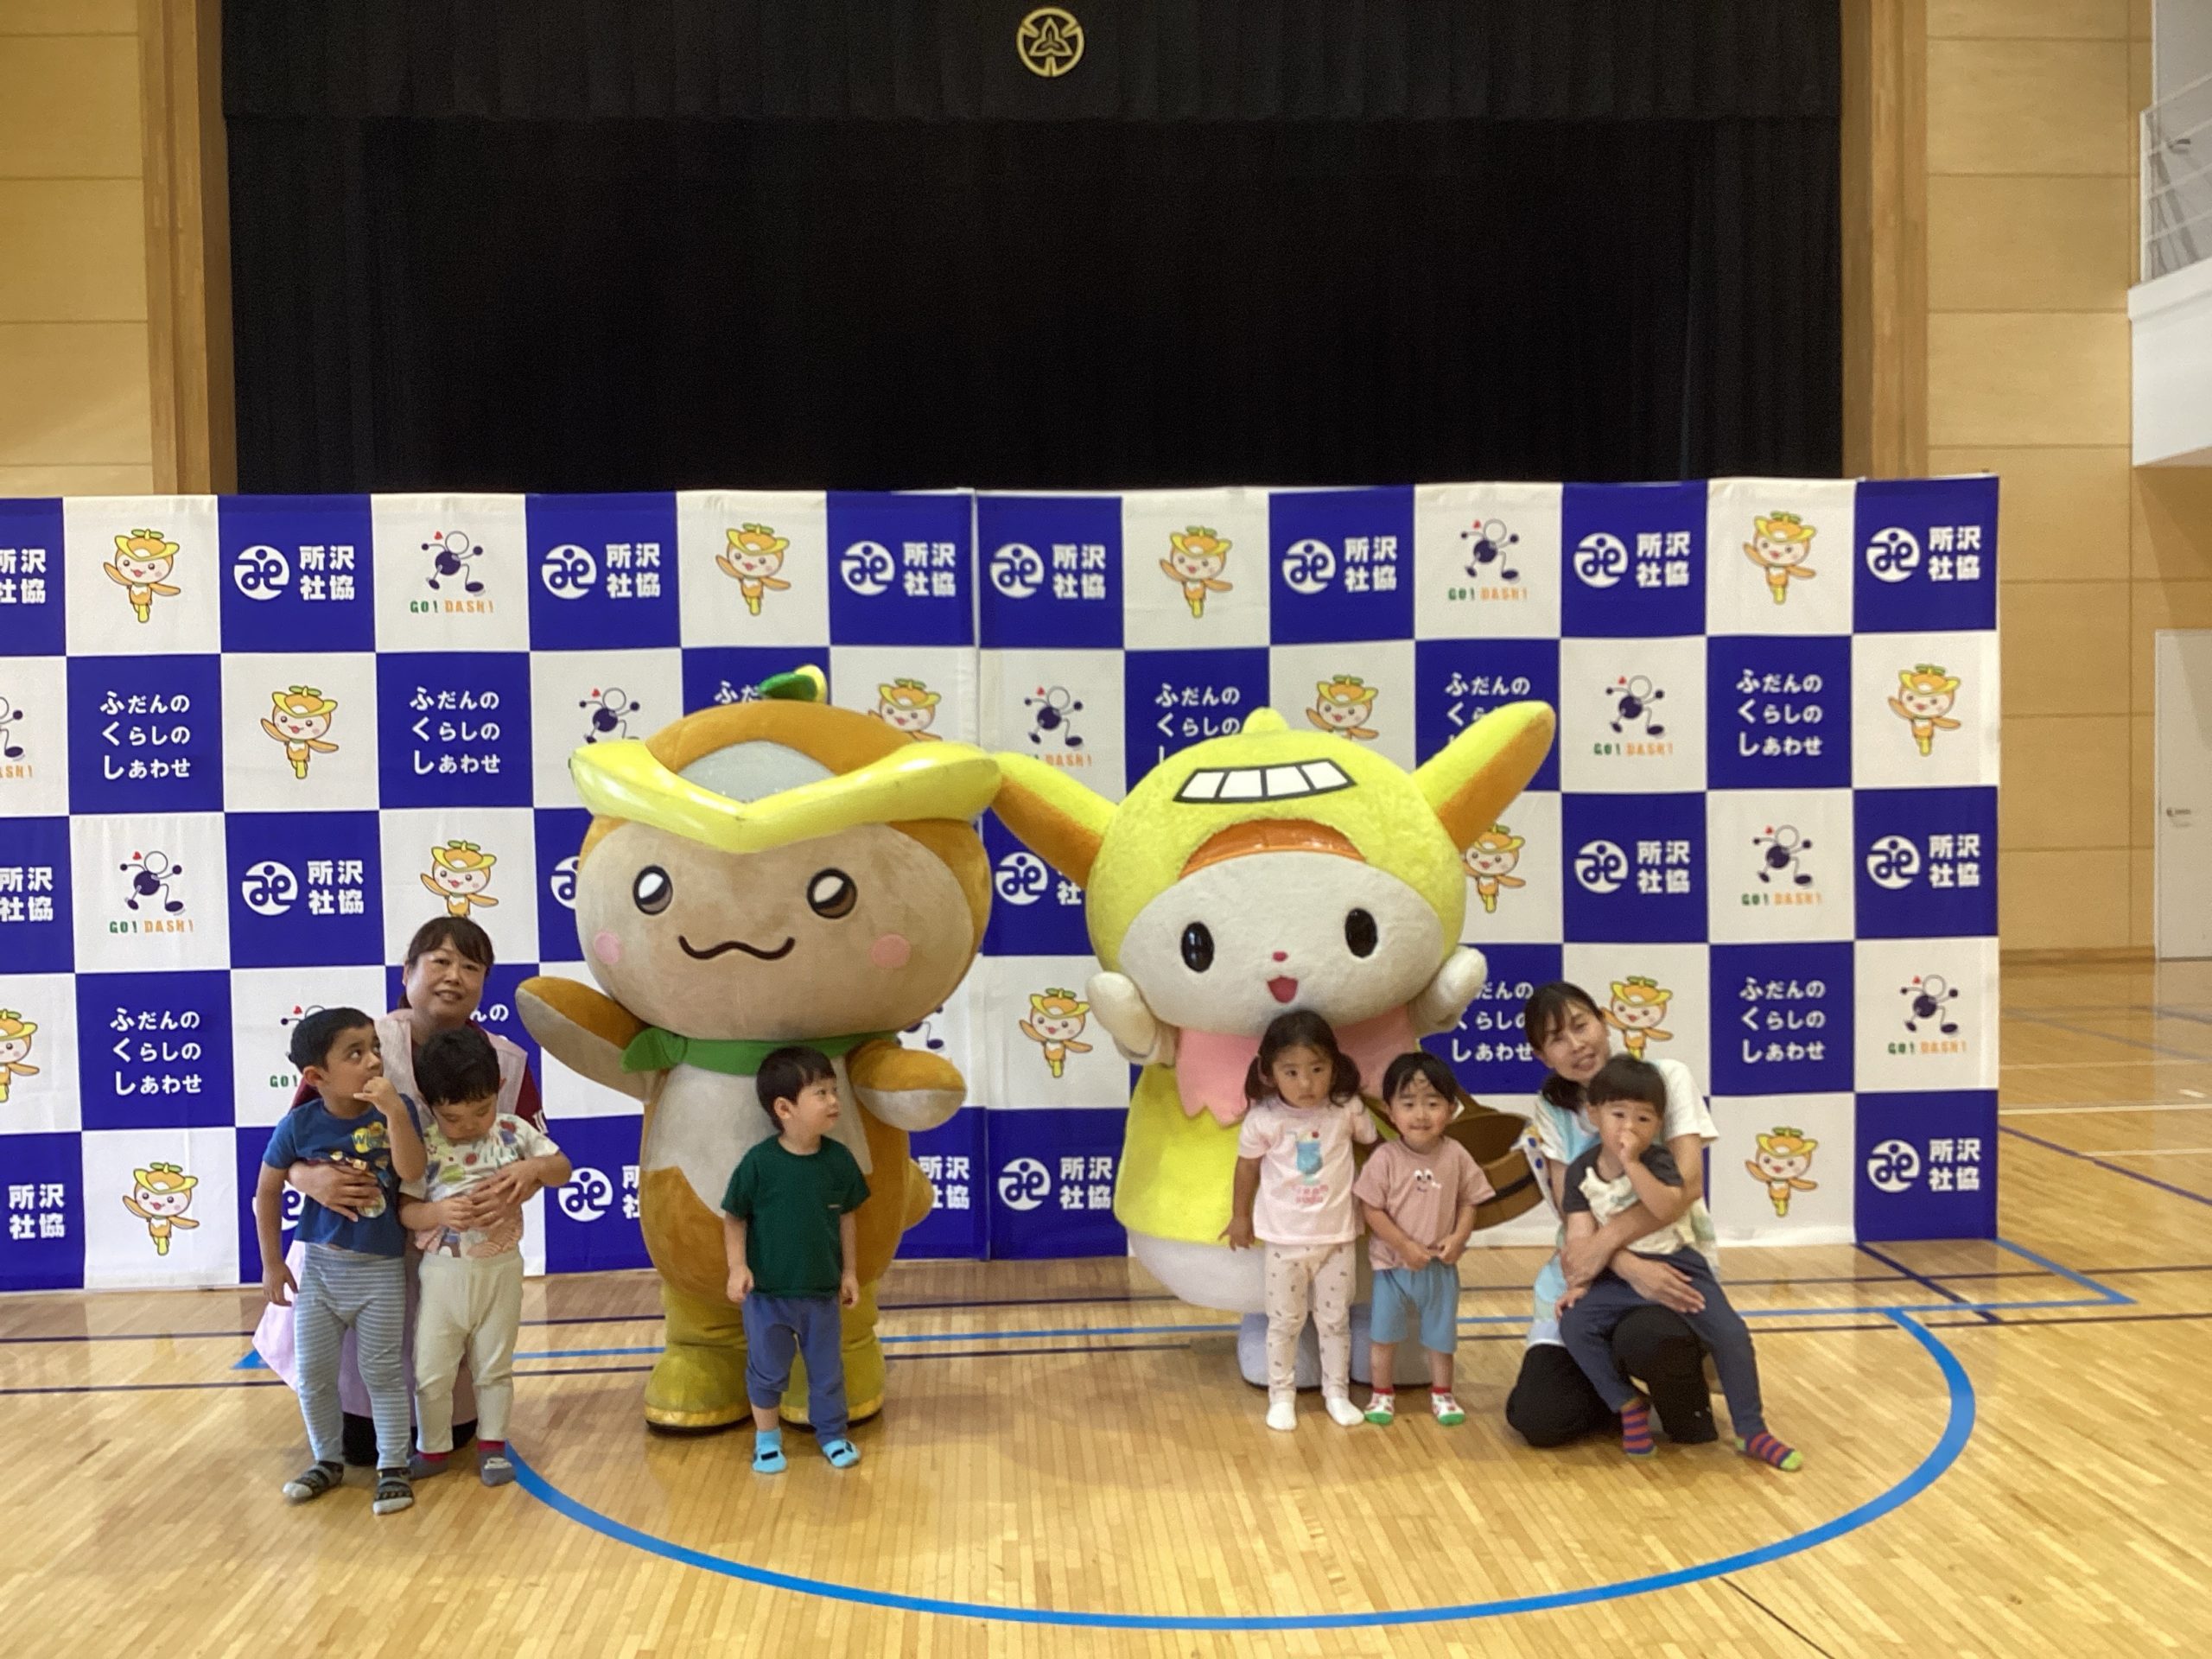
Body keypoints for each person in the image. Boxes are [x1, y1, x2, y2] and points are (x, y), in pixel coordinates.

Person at [255, 916, 545, 1465]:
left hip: (455, 1256)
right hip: (358, 1249)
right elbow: (289, 1146)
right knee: (358, 1438)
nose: (454, 976)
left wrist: (523, 1180)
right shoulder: (361, 1044)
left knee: (450, 1424)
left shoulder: (506, 1060)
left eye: (471, 967)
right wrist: (307, 1178)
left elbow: (535, 1153)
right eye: (440, 961)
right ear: (407, 971)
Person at [1558, 1058, 1802, 1471]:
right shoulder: (1581, 1171)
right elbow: (1581, 1238)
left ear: (1658, 1124)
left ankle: (1751, 1429)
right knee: (1575, 1325)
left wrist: (1633, 1164)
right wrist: (1578, 1284)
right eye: (1618, 1115)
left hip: (1678, 1264)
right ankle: (1627, 1404)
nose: (1629, 1127)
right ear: (1594, 1114)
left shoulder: (1656, 1161)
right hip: (1616, 1276)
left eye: (1643, 1118)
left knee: (1731, 1333)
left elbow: (1667, 1208)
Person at [1503, 981, 1718, 1449]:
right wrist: (1623, 1263)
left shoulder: (1667, 1077)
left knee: (1653, 1349)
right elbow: (1572, 1210)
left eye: (1581, 1026)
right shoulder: (1553, 1109)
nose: (1576, 1045)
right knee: (1538, 1418)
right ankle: (1624, 1396)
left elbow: (1687, 1186)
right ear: (1542, 1056)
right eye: (1557, 1039)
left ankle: (1691, 1372)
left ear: (1604, 1021)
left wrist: (1610, 1248)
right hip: (1591, 1274)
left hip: (1668, 1261)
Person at [251, 1007, 428, 1515]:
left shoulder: (397, 1111)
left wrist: (396, 1114)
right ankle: (326, 1460)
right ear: (316, 1076)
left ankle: (392, 1466)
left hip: (381, 1273)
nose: (373, 1061)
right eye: (355, 1053)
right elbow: (266, 1192)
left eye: (375, 1048)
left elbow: (412, 1171)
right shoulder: (299, 1124)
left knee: (384, 1373)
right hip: (320, 1274)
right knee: (314, 1374)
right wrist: (272, 1264)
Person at [399, 1027, 571, 1489]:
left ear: (499, 1087)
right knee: (430, 1370)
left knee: (495, 1367)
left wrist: (534, 1167)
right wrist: (437, 1213)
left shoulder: (513, 1131)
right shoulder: (425, 1144)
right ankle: (432, 1448)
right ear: (430, 1104)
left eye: (482, 1110)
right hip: (443, 1274)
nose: (470, 1124)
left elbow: (562, 1169)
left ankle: (492, 1447)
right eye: (453, 1117)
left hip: (502, 1270)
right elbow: (407, 1212)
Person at [1224, 1010, 1377, 1432]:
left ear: (1334, 1067)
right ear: (1269, 1073)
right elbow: (1246, 1168)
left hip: (1338, 1238)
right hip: (1283, 1240)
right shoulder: (1263, 1119)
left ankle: (1337, 1393)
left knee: (1335, 1322)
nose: (1305, 1083)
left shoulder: (1347, 1110)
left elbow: (1376, 1150)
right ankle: (1282, 1395)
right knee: (1284, 1322)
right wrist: (1240, 1216)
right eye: (1291, 1072)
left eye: (1317, 1069)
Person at [721, 1047, 869, 1474]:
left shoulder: (839, 1161)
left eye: (834, 1090)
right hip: (767, 1296)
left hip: (821, 1294)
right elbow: (734, 1217)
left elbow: (847, 1219)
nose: (834, 1101)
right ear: (784, 1108)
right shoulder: (759, 1163)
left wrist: (850, 1272)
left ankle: (832, 1435)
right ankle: (767, 1439)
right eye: (821, 1093)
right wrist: (737, 1267)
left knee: (827, 1372)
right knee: (766, 1371)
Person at [1353, 1052, 1491, 1427]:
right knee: (1383, 1336)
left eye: (1432, 1103)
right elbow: (1371, 1210)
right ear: (1389, 1111)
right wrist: (1403, 1246)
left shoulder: (1457, 1155)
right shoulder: (1385, 1158)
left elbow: (1470, 1200)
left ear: (1451, 1109)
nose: (1421, 1114)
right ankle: (1382, 1394)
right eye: (1409, 1104)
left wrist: (1459, 1237)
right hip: (1392, 1268)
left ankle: (1443, 1394)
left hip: (1440, 1267)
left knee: (1442, 1337)